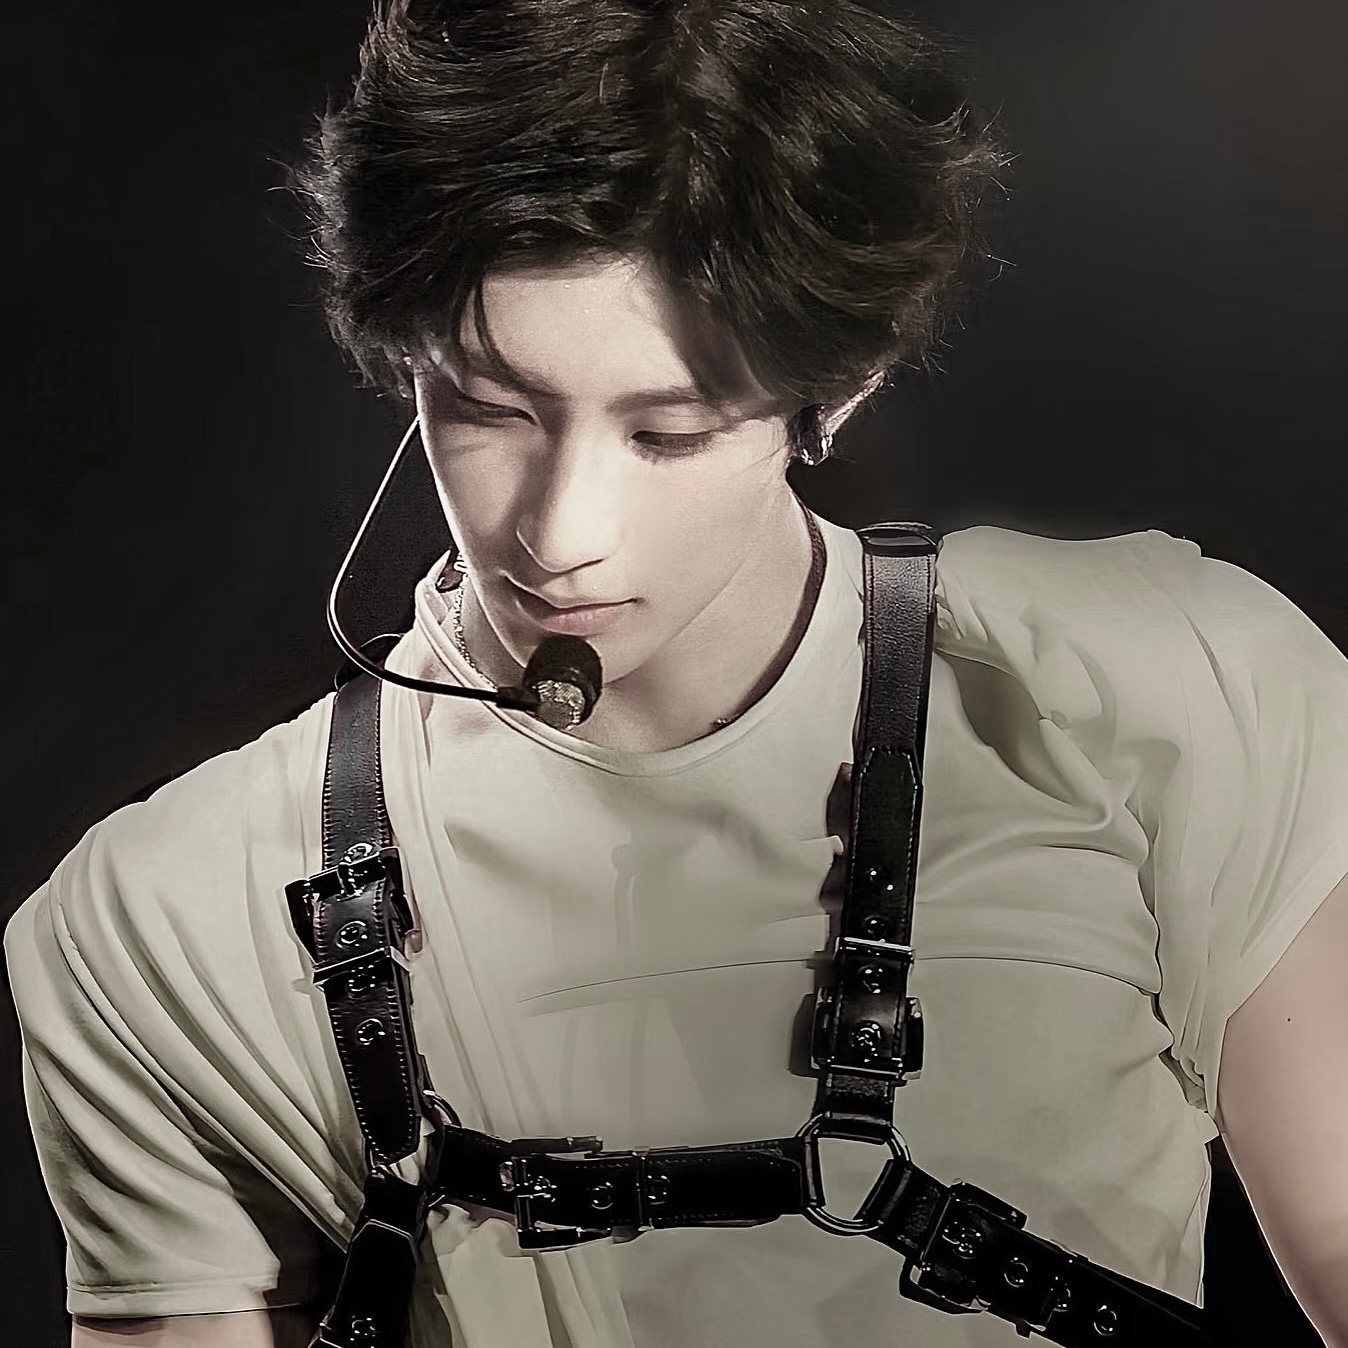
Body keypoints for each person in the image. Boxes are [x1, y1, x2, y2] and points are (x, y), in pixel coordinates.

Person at [7, 1, 1348, 1346]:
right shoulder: (167, 916)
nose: (559, 533)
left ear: (843, 389)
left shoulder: (1159, 689)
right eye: (486, 408)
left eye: (670, 433)